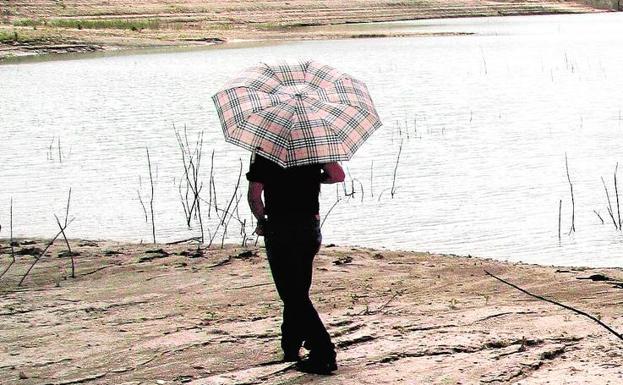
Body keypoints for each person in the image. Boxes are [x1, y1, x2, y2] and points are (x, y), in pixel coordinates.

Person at [246, 151, 345, 375]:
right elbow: (337, 175)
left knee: (293, 294)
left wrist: (262, 220)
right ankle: (290, 344)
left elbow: (254, 196)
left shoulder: (265, 152)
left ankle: (324, 352)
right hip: (309, 226)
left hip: (280, 227)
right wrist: (318, 178)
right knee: (298, 289)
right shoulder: (313, 146)